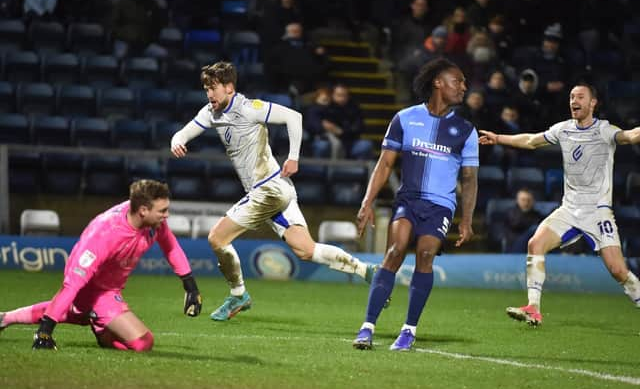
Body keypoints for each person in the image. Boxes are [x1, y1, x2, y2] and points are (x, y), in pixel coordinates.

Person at [170, 61, 376, 322]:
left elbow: (294, 117)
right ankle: (366, 270)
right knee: (305, 250)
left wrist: (293, 157)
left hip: (268, 189)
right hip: (276, 191)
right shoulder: (211, 113)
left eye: (213, 88)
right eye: (206, 89)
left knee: (217, 238)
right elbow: (182, 134)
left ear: (229, 88)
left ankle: (238, 294)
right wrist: (177, 141)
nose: (209, 94)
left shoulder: (248, 108)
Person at [478, 82, 640, 326]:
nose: (574, 101)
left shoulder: (605, 130)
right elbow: (531, 140)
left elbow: (630, 135)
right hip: (569, 209)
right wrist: (498, 137)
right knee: (535, 244)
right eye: (572, 96)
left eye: (580, 97)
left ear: (593, 103)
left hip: (598, 213)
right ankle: (533, 307)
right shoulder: (563, 129)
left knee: (618, 271)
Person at [352, 58, 479, 351]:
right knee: (395, 251)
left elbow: (470, 179)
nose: (464, 87)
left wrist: (467, 218)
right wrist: (367, 202)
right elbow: (385, 164)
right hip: (408, 200)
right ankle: (367, 327)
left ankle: (408, 331)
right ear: (438, 82)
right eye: (457, 81)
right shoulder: (405, 119)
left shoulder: (465, 130)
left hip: (441, 206)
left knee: (425, 254)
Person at [0, 180, 203, 351]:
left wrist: (190, 285)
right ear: (143, 210)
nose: (166, 215)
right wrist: (45, 332)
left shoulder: (153, 222)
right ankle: (98, 324)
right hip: (92, 288)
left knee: (78, 313)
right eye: (163, 211)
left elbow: (171, 246)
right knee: (143, 343)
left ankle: (6, 318)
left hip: (109, 288)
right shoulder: (105, 234)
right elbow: (72, 285)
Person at [504, 188, 542, 253]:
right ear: (517, 200)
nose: (526, 203)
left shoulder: (537, 214)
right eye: (523, 200)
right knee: (534, 228)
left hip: (533, 245)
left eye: (529, 200)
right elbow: (516, 224)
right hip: (515, 244)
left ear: (533, 201)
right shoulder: (511, 213)